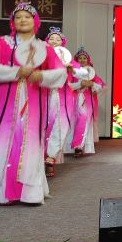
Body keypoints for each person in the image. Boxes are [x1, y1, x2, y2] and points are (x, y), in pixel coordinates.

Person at [0, 2, 66, 205]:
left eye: (27, 17)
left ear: (35, 21)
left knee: (30, 143)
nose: (23, 20)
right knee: (3, 142)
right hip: (4, 103)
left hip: (33, 102)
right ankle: (3, 194)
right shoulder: (2, 43)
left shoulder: (44, 47)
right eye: (18, 17)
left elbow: (60, 72)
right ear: (13, 21)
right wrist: (16, 72)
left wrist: (40, 76)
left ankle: (30, 194)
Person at [44, 27, 75, 176]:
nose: (54, 41)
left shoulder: (67, 58)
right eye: (52, 38)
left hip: (61, 96)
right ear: (47, 41)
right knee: (41, 126)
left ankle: (50, 158)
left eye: (58, 39)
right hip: (43, 95)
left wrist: (71, 69)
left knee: (60, 126)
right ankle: (38, 158)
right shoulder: (41, 55)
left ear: (62, 43)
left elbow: (81, 72)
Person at [69, 47, 105, 157]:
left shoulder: (91, 72)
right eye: (80, 58)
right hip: (73, 100)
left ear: (88, 60)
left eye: (84, 58)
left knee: (83, 121)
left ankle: (78, 146)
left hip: (87, 101)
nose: (82, 60)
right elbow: (67, 86)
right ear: (76, 60)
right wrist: (80, 84)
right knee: (73, 122)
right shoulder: (72, 72)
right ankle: (73, 146)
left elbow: (101, 86)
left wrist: (92, 84)